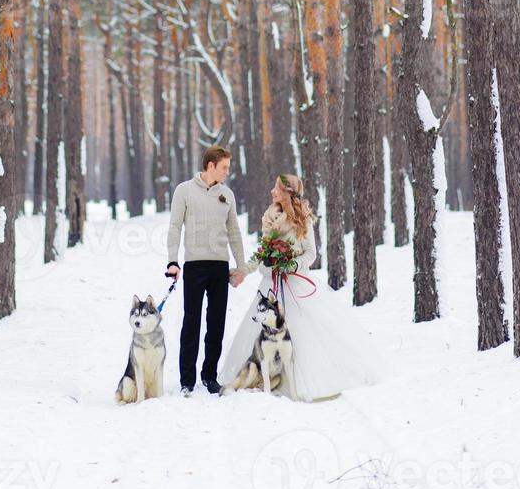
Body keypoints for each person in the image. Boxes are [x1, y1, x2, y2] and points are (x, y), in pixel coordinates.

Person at [221, 173, 389, 401]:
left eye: (277, 189)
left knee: (303, 330)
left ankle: (304, 381)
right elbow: (262, 254)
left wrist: (291, 265)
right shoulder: (269, 217)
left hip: (296, 282)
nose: (272, 192)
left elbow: (310, 253)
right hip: (271, 284)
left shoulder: (303, 219)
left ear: (288, 193)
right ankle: (263, 376)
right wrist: (251, 269)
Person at [166, 145, 246, 396]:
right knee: (191, 322)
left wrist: (241, 266)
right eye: (224, 167)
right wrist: (172, 261)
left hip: (219, 266)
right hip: (194, 265)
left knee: (216, 323)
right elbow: (174, 227)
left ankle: (210, 376)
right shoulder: (184, 191)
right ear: (210, 166)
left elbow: (234, 231)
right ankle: (186, 380)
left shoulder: (227, 195)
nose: (227, 172)